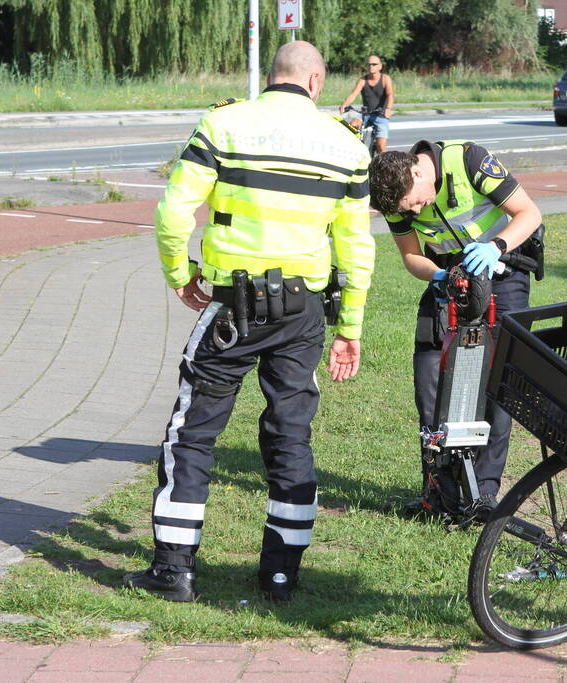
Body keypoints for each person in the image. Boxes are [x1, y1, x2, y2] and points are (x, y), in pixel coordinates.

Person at [124, 41, 375, 603]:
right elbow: (357, 246)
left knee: (193, 433)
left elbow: (172, 211)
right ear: (315, 83)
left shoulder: (224, 123)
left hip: (232, 305)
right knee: (291, 434)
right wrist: (350, 327)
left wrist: (179, 272)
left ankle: (174, 569)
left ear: (273, 77)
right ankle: (281, 574)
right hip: (303, 311)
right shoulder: (347, 145)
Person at [368, 141, 543, 518]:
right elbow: (411, 256)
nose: (415, 211)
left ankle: (484, 494)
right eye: (408, 210)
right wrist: (438, 275)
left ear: (417, 171)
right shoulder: (394, 195)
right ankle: (440, 493)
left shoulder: (468, 161)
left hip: (503, 269)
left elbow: (529, 213)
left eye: (414, 203)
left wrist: (495, 246)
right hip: (450, 276)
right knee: (430, 374)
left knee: (499, 381)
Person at [339, 55, 394, 154]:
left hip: (381, 115)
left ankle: (383, 166)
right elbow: (353, 94)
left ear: (380, 66)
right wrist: (344, 105)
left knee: (381, 147)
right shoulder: (363, 80)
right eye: (369, 65)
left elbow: (390, 94)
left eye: (374, 64)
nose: (371, 66)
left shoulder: (385, 79)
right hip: (365, 114)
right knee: (353, 124)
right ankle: (355, 151)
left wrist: (388, 108)